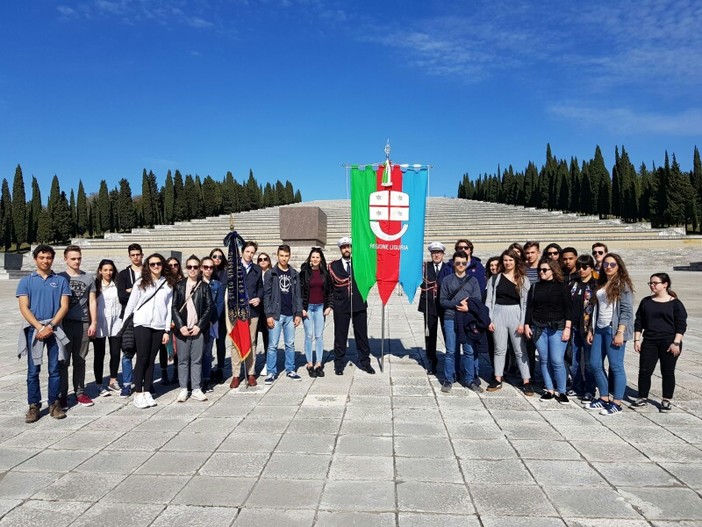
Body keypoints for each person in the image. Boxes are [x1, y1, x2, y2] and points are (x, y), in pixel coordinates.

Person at [17, 245, 71, 423]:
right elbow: (24, 307)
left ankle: (54, 404)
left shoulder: (61, 280)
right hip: (35, 329)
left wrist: (51, 325)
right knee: (33, 371)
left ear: (52, 259)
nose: (45, 260)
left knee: (54, 369)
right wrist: (40, 327)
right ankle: (34, 405)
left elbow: (64, 305)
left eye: (48, 257)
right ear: (35, 259)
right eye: (42, 257)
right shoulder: (26, 281)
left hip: (54, 329)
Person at [122, 253, 176, 409]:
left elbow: (168, 308)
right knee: (142, 358)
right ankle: (138, 393)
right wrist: (125, 325)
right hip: (142, 324)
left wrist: (166, 330)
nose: (156, 267)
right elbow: (131, 305)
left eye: (159, 263)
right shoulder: (140, 283)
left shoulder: (168, 284)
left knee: (152, 359)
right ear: (148, 266)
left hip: (158, 325)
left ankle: (147, 391)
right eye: (152, 264)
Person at [585, 253, 634, 416]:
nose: (609, 267)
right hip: (599, 328)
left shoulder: (622, 284)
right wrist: (591, 329)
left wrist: (620, 332)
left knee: (616, 366)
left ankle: (617, 403)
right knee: (594, 364)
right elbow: (596, 308)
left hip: (614, 330)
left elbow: (626, 311)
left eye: (612, 264)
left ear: (619, 266)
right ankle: (604, 398)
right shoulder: (602, 283)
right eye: (606, 264)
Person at [631, 273, 687, 411]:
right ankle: (642, 397)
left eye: (655, 283)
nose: (652, 285)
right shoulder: (646, 301)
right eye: (650, 283)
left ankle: (666, 399)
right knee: (644, 371)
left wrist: (676, 343)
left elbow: (681, 325)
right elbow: (639, 321)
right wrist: (637, 339)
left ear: (665, 284)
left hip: (669, 341)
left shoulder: (676, 303)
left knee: (667, 372)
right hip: (649, 340)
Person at [524, 259, 573, 404]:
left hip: (557, 327)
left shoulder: (562, 287)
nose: (541, 272)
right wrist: (527, 325)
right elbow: (529, 308)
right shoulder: (534, 287)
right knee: (544, 360)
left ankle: (562, 391)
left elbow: (568, 309)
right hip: (538, 327)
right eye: (540, 269)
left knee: (557, 360)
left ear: (553, 270)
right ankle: (550, 390)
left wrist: (567, 328)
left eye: (545, 270)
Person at [485, 248, 532, 393]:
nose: (507, 262)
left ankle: (526, 380)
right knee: (499, 349)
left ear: (515, 261)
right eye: (505, 260)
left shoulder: (522, 279)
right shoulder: (495, 279)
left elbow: (525, 303)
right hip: (498, 313)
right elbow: (489, 300)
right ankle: (498, 378)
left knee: (520, 350)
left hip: (516, 314)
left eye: (510, 260)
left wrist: (522, 323)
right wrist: (489, 319)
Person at [439, 250, 485, 393]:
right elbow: (442, 301)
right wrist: (458, 305)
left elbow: (477, 300)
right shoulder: (447, 280)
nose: (460, 265)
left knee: (469, 351)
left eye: (463, 263)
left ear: (467, 264)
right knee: (451, 351)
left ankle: (469, 379)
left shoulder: (473, 280)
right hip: (451, 317)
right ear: (453, 263)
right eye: (457, 263)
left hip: (467, 319)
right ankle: (448, 379)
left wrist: (468, 307)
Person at [59, 245, 97, 408]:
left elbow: (92, 301)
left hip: (82, 323)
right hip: (64, 324)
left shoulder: (88, 278)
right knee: (63, 361)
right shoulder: (59, 278)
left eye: (79, 258)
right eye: (73, 258)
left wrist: (93, 322)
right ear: (65, 259)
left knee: (80, 360)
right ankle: (62, 395)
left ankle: (80, 392)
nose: (76, 261)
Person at [329, 237, 374, 375]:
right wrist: (330, 304)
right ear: (340, 250)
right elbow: (330, 287)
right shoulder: (333, 266)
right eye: (343, 247)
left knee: (362, 335)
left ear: (352, 248)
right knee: (340, 335)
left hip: (359, 304)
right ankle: (339, 363)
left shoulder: (360, 263)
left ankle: (365, 362)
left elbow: (369, 278)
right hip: (341, 305)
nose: (346, 249)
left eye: (348, 246)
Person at [172, 255, 213, 402]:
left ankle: (196, 388)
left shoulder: (204, 286)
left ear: (200, 268)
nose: (193, 270)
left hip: (197, 329)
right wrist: (180, 326)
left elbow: (209, 308)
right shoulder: (179, 285)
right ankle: (183, 388)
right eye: (190, 267)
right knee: (182, 360)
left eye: (195, 267)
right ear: (186, 268)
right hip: (182, 329)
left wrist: (199, 326)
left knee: (196, 360)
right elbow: (174, 307)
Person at [264, 245, 303, 384]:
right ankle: (271, 372)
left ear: (290, 256)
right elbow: (267, 295)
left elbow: (298, 295)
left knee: (290, 344)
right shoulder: (271, 273)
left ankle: (290, 369)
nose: (284, 258)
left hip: (290, 314)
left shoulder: (294, 274)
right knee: (273, 345)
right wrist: (268, 314)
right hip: (276, 314)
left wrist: (298, 313)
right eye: (281, 255)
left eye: (286, 256)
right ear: (277, 255)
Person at [231, 241, 263, 388]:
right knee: (236, 342)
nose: (250, 254)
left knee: (252, 341)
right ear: (242, 252)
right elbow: (229, 288)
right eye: (247, 251)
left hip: (253, 311)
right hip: (238, 312)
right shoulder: (234, 268)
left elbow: (260, 288)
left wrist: (259, 298)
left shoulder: (257, 269)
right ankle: (236, 375)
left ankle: (251, 373)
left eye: (252, 252)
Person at [418, 242, 452, 375]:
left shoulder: (448, 268)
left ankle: (450, 360)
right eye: (434, 253)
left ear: (443, 254)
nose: (436, 255)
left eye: (438, 252)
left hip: (445, 306)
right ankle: (431, 361)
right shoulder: (425, 267)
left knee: (447, 333)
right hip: (428, 305)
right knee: (429, 334)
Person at [300, 247, 334, 377]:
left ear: (321, 259)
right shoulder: (304, 272)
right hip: (307, 308)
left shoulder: (325, 273)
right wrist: (301, 308)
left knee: (319, 336)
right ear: (310, 258)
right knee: (309, 336)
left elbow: (330, 290)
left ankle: (319, 363)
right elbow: (300, 291)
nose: (315, 259)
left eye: (317, 257)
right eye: (313, 257)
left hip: (320, 307)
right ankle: (310, 363)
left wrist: (329, 306)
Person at [568, 254, 597, 401]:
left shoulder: (596, 285)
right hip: (574, 327)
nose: (581, 270)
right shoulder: (573, 283)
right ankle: (576, 386)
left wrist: (592, 329)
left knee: (589, 362)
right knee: (575, 361)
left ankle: (590, 389)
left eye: (585, 267)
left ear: (591, 268)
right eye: (579, 267)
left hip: (588, 329)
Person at [117, 243, 144, 398]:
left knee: (143, 353)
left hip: (145, 317)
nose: (136, 257)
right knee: (127, 352)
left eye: (138, 254)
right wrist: (136, 292)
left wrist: (131, 291)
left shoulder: (148, 272)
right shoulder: (123, 275)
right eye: (133, 255)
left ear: (142, 255)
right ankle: (127, 385)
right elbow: (121, 297)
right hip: (128, 318)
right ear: (129, 256)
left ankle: (144, 382)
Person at [93, 259, 122, 396]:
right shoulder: (96, 286)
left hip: (116, 322)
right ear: (100, 271)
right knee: (99, 355)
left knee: (115, 353)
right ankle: (99, 383)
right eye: (105, 270)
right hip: (99, 322)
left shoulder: (117, 284)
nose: (108, 272)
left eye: (110, 270)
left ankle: (113, 380)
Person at [200, 256, 223, 392]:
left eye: (211, 267)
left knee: (207, 352)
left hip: (210, 323)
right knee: (196, 354)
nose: (208, 270)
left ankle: (207, 380)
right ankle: (196, 380)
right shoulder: (195, 282)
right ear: (202, 268)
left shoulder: (217, 284)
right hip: (196, 323)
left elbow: (219, 305)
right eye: (206, 267)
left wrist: (210, 320)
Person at [162, 256, 183, 384]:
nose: (173, 267)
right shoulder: (163, 281)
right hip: (164, 318)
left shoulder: (183, 281)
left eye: (176, 265)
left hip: (178, 317)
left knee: (178, 346)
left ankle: (176, 371)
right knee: (163, 346)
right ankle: (164, 371)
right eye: (170, 265)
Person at [210, 247, 229, 383]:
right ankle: (207, 369)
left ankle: (220, 368)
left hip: (222, 313)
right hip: (208, 314)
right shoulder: (206, 271)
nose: (217, 259)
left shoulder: (226, 273)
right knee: (207, 343)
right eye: (215, 256)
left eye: (220, 257)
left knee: (220, 342)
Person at [256, 252, 272, 372]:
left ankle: (268, 362)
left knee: (267, 337)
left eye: (265, 259)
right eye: (260, 259)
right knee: (253, 337)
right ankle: (252, 364)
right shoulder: (255, 273)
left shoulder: (272, 273)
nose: (262, 261)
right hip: (256, 309)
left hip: (267, 310)